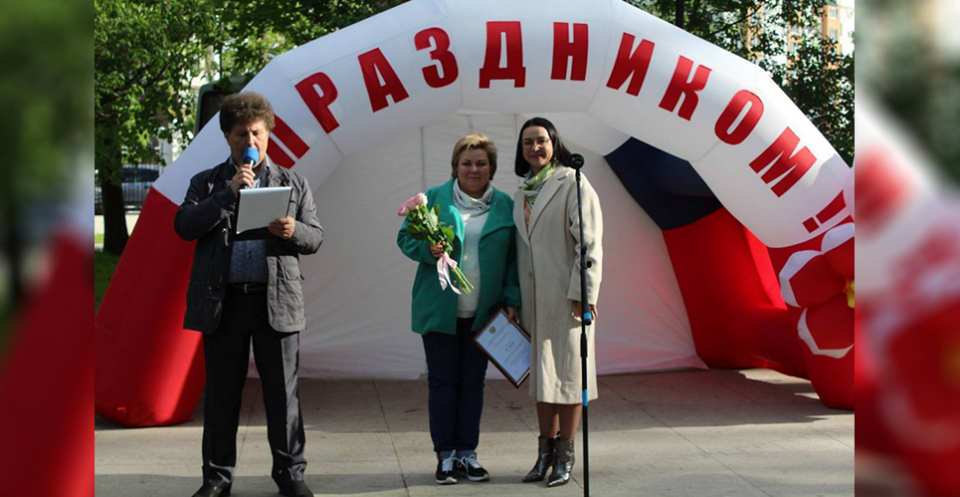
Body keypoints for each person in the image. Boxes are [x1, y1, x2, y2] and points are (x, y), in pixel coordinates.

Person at [174, 92, 323, 497]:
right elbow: (184, 226)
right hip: (225, 304)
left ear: (269, 134)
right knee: (221, 395)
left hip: (276, 302)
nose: (250, 141)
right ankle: (216, 478)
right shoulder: (206, 182)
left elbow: (315, 237)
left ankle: (290, 476)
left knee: (283, 395)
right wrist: (227, 193)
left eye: (257, 132)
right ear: (227, 137)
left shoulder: (293, 182)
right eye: (241, 134)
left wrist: (293, 230)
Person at [397, 134, 521, 485]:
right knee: (442, 384)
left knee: (472, 385)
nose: (474, 169)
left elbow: (513, 258)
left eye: (481, 163)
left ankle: (468, 453)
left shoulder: (505, 205)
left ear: (492, 168)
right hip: (440, 311)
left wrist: (512, 298)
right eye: (467, 163)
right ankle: (446, 456)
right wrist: (429, 251)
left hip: (485, 313)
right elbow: (405, 239)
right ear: (455, 166)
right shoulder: (434, 198)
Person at [513, 117, 603, 488]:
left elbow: (589, 244)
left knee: (569, 377)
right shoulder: (522, 193)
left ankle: (565, 455)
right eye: (527, 142)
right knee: (543, 379)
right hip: (534, 300)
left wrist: (584, 293)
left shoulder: (573, 182)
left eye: (541, 140)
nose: (535, 148)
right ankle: (544, 454)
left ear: (554, 143)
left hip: (567, 300)